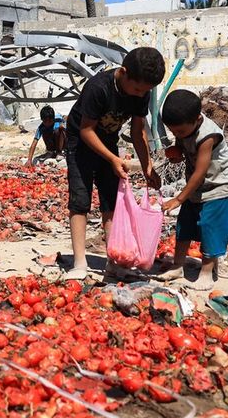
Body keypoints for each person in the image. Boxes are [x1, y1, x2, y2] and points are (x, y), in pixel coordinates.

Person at [63, 47, 166, 280]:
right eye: (137, 89)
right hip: (80, 141)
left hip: (109, 140)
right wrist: (112, 158)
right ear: (123, 72)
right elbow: (86, 131)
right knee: (80, 199)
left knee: (111, 200)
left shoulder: (142, 92)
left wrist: (147, 166)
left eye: (146, 91)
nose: (140, 95)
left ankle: (114, 260)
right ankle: (80, 262)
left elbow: (138, 131)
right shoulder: (99, 88)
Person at [158, 89, 228, 290]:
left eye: (180, 132)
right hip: (196, 189)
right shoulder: (185, 129)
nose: (177, 135)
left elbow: (200, 172)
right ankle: (178, 265)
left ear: (198, 120)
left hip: (217, 188)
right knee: (184, 227)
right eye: (173, 132)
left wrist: (178, 199)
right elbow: (184, 146)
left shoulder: (209, 135)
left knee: (211, 229)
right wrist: (177, 152)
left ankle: (207, 272)